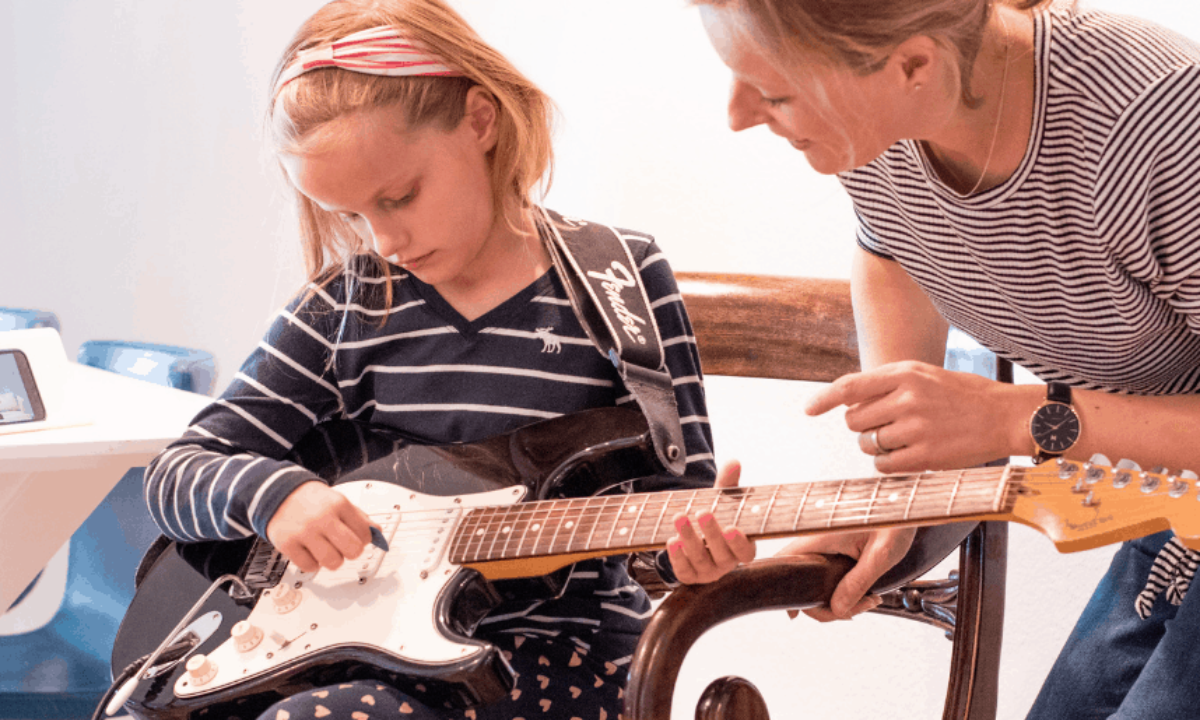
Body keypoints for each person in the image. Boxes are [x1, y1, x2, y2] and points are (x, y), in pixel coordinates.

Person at [142, 1, 754, 718]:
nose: (385, 240)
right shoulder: (347, 305)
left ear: (481, 120)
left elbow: (671, 503)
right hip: (351, 653)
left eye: (399, 196)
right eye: (352, 216)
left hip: (562, 653)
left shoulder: (621, 279)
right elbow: (176, 472)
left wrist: (688, 556)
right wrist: (273, 495)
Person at [693, 0, 1200, 717]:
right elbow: (893, 251)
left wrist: (1029, 418)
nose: (738, 115)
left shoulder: (1158, 121)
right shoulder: (880, 137)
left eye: (776, 92)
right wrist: (905, 492)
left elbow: (1022, 420)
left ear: (915, 65)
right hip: (1172, 506)